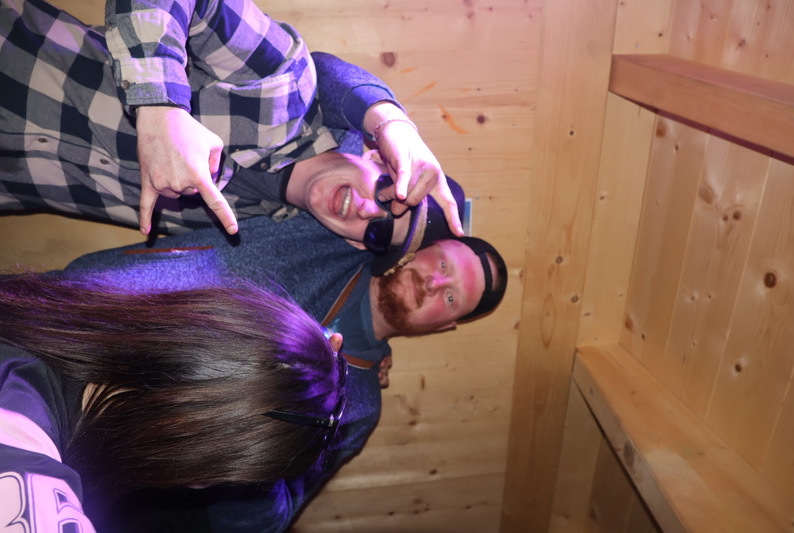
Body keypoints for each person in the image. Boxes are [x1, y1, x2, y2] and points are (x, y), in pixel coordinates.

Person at [61, 209, 508, 531]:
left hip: (94, 461)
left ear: (444, 326)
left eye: (452, 297)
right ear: (423, 247)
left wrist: (265, 452)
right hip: (76, 327)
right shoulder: (332, 236)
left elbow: (267, 523)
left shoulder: (358, 406)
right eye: (443, 263)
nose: (435, 282)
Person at [0, 0, 463, 245]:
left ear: (358, 244)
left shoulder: (242, 232)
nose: (366, 210)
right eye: (385, 192)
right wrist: (159, 104)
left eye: (377, 230)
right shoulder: (284, 87)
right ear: (375, 156)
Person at [0, 273, 347, 530]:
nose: (205, 486)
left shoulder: (62, 319)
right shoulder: (24, 448)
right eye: (225, 474)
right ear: (197, 424)